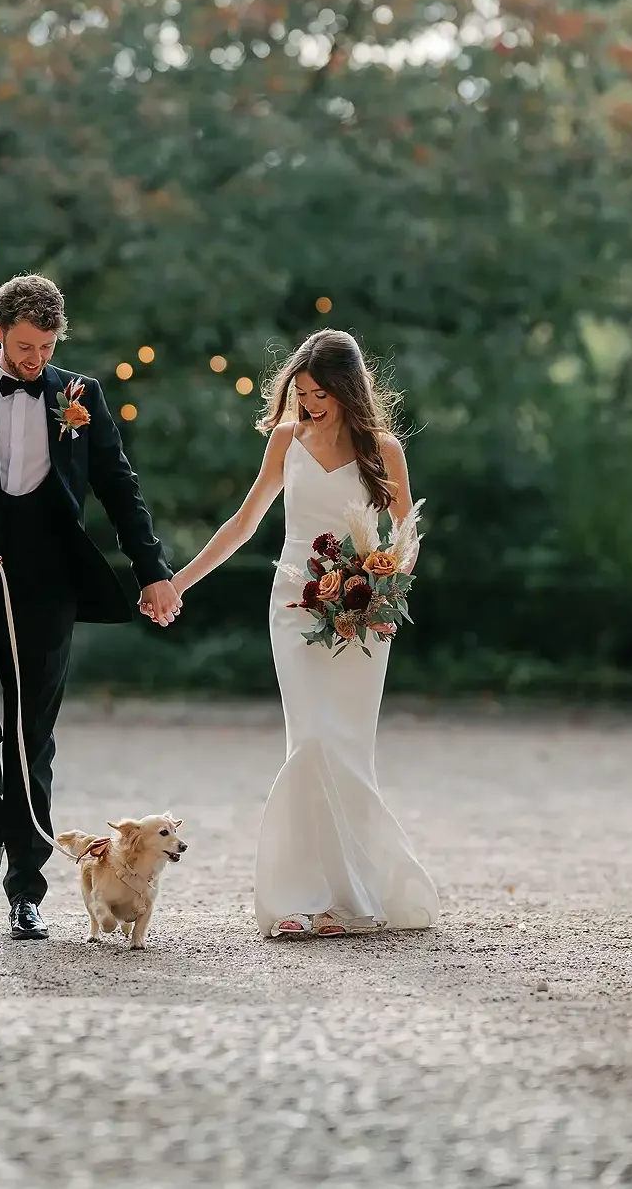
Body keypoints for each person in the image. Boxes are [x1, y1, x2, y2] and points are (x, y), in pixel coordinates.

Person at [0, 273, 180, 941]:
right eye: (24, 346)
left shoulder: (82, 396)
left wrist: (153, 573)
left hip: (47, 593)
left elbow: (120, 489)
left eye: (47, 347)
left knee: (30, 746)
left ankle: (26, 891)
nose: (36, 360)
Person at [166, 329, 439, 938]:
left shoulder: (383, 450)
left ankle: (349, 899)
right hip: (295, 605)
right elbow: (244, 522)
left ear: (348, 390)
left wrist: (383, 581)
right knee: (310, 741)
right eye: (303, 394)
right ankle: (295, 897)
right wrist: (179, 583)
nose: (311, 405)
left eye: (321, 395)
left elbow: (406, 535)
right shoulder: (286, 441)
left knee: (345, 751)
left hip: (364, 615)